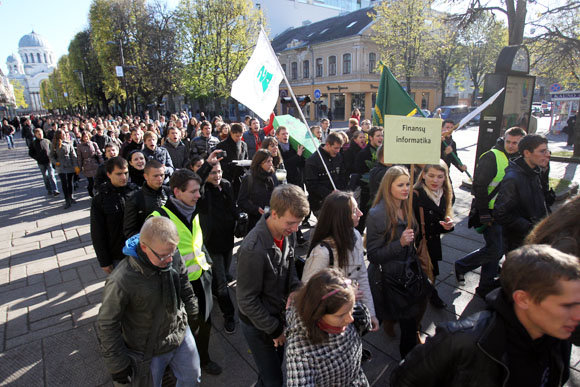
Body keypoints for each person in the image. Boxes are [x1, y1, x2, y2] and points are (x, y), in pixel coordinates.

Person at [390, 244, 580, 386]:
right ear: (523, 299)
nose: (577, 315)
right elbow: (404, 379)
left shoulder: (559, 338)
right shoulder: (461, 341)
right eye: (567, 305)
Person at [97, 217, 201, 386]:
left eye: (172, 252)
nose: (169, 259)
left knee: (192, 378)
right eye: (162, 256)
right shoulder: (121, 280)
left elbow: (185, 286)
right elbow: (107, 324)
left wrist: (193, 312)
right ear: (144, 247)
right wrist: (117, 365)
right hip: (147, 350)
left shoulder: (170, 253)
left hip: (180, 334)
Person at [150, 168, 222, 376]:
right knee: (183, 326)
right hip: (178, 285)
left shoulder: (194, 209)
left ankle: (204, 358)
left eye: (198, 191)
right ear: (177, 192)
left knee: (205, 321)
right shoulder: (158, 218)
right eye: (193, 192)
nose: (198, 195)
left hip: (201, 277)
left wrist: (208, 266)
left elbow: (197, 243)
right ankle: (181, 363)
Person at [237, 185, 310, 387]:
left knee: (271, 371)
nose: (296, 229)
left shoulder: (288, 231)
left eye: (299, 223)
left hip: (275, 315)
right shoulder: (253, 249)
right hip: (259, 325)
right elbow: (246, 301)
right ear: (274, 214)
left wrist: (295, 287)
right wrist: (275, 330)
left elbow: (291, 264)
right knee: (273, 380)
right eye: (291, 223)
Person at [455, 127, 526, 297]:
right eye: (508, 141)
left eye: (515, 143)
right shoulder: (491, 156)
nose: (510, 146)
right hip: (492, 213)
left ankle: (485, 285)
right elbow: (479, 187)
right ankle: (463, 265)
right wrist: (484, 213)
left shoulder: (522, 158)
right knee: (496, 249)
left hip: (509, 213)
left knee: (496, 249)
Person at [366, 166, 425, 358]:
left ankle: (407, 362)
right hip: (389, 280)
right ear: (387, 186)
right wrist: (399, 243)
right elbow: (373, 255)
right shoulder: (377, 214)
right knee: (376, 321)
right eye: (400, 185)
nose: (406, 188)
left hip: (408, 275)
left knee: (410, 323)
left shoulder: (406, 206)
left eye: (408, 184)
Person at [302, 191, 379, 331]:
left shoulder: (355, 235)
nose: (361, 213)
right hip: (329, 323)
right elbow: (309, 294)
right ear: (341, 218)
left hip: (350, 315)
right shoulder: (322, 253)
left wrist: (371, 313)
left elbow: (362, 275)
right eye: (355, 210)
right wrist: (346, 294)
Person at [285, 268, 372, 387]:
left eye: (351, 310)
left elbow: (363, 325)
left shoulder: (343, 307)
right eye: (340, 316)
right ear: (317, 314)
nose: (350, 319)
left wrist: (363, 315)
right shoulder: (301, 353)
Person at [199, 161, 239, 334]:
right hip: (212, 243)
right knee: (222, 282)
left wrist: (239, 218)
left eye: (219, 172)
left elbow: (232, 207)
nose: (217, 176)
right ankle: (229, 315)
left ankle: (215, 286)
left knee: (224, 272)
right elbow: (197, 181)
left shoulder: (227, 185)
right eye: (213, 172)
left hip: (228, 240)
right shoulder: (203, 191)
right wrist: (206, 165)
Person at [494, 134, 550, 252]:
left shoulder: (537, 171)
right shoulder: (513, 178)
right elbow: (500, 213)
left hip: (536, 238)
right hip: (519, 242)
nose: (547, 154)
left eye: (547, 150)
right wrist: (530, 227)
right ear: (527, 153)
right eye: (542, 151)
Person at [413, 161, 455, 308]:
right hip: (418, 244)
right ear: (423, 175)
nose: (435, 180)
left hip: (432, 242)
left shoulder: (446, 194)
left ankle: (430, 295)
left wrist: (447, 226)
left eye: (440, 176)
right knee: (419, 277)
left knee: (432, 273)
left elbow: (439, 223)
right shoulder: (415, 195)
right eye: (431, 175)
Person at [90, 157, 137, 274]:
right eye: (119, 174)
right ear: (109, 174)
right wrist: (104, 261)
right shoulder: (100, 199)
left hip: (138, 251)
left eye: (126, 173)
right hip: (117, 255)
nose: (123, 177)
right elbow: (97, 232)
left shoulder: (136, 192)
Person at [124, 159, 171, 238]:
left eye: (162, 175)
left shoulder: (170, 192)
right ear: (146, 176)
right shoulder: (136, 199)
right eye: (155, 176)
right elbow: (129, 230)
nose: (160, 179)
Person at [304, 132, 347, 215]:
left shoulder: (338, 156)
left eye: (339, 148)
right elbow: (311, 185)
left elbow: (342, 175)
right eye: (335, 148)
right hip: (320, 203)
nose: (338, 151)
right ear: (327, 144)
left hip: (338, 200)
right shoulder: (313, 160)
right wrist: (329, 193)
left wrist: (341, 191)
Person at [238, 149, 279, 231]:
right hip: (256, 223)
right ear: (259, 163)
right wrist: (255, 209)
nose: (271, 164)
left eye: (271, 160)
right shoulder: (249, 178)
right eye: (268, 161)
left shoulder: (273, 176)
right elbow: (241, 201)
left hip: (274, 220)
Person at [353, 126, 383, 233]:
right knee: (363, 219)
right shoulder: (363, 154)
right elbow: (359, 173)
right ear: (370, 137)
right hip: (367, 193)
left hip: (381, 193)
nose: (381, 138)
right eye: (378, 135)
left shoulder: (383, 152)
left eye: (382, 135)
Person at [215, 123, 248, 198]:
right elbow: (219, 162)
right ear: (231, 133)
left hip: (240, 177)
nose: (239, 138)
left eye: (241, 136)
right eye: (237, 136)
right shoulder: (221, 145)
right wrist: (230, 165)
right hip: (227, 177)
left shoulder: (244, 145)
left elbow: (246, 158)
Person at [50, 129, 79, 209]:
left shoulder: (68, 143)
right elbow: (51, 155)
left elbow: (73, 154)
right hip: (61, 166)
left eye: (64, 134)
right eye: (62, 134)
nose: (64, 135)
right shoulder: (54, 144)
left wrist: (76, 165)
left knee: (70, 182)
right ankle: (67, 200)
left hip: (69, 165)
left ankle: (71, 196)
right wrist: (56, 162)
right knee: (64, 183)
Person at [29, 128, 59, 196]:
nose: (40, 135)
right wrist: (37, 158)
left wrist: (53, 157)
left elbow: (52, 150)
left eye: (41, 133)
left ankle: (55, 189)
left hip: (49, 161)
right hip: (41, 163)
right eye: (38, 134)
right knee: (45, 176)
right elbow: (31, 153)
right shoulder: (34, 143)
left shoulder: (47, 141)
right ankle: (49, 189)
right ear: (35, 135)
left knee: (51, 175)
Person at [77, 130, 103, 198]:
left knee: (97, 180)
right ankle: (91, 193)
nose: (86, 138)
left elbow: (99, 154)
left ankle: (98, 194)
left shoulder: (94, 144)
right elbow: (79, 157)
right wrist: (79, 167)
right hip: (86, 165)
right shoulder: (79, 146)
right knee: (90, 182)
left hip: (94, 163)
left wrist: (102, 163)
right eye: (84, 137)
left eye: (87, 136)